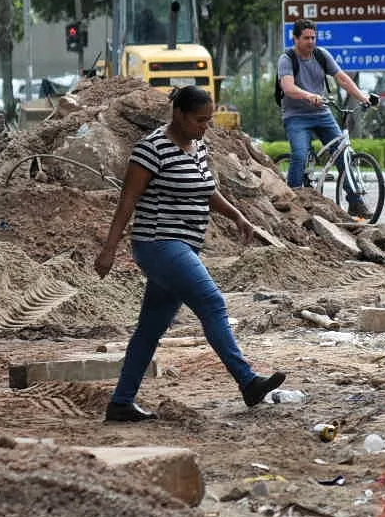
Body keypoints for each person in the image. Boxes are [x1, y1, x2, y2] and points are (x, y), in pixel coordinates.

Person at [94, 85, 287, 422]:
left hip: (183, 245)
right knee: (212, 302)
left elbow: (207, 189)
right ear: (179, 115)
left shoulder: (197, 146)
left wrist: (238, 215)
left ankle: (121, 402)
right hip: (158, 244)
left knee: (150, 328)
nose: (205, 127)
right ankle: (247, 382)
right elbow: (128, 200)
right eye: (199, 120)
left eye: (209, 121)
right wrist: (108, 249)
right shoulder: (151, 149)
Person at [278, 18, 380, 218]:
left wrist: (363, 97)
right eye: (306, 38)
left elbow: (341, 78)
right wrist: (310, 96)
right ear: (295, 39)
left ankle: (355, 202)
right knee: (299, 155)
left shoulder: (321, 55)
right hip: (296, 115)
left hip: (321, 112)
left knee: (344, 153)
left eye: (313, 37)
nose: (311, 42)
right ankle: (291, 201)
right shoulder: (287, 59)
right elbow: (288, 88)